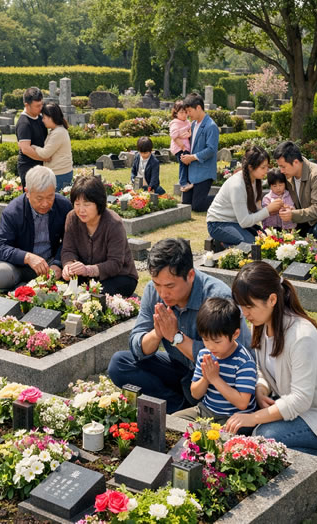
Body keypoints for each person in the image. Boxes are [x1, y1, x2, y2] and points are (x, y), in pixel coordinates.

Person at [224, 262, 317, 486]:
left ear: (272, 299)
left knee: (264, 437)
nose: (244, 313)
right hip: (304, 412)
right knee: (256, 435)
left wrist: (253, 417)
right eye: (241, 306)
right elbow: (262, 368)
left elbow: (300, 399)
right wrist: (261, 388)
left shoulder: (301, 336)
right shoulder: (262, 323)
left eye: (249, 306)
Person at [108, 238, 252, 414]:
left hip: (214, 377)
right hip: (178, 366)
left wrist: (176, 337)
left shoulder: (218, 297)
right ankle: (179, 407)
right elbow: (136, 344)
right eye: (157, 284)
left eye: (170, 286)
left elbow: (235, 354)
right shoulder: (154, 292)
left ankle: (195, 407)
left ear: (190, 275)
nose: (163, 293)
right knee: (119, 363)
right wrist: (157, 333)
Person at [172, 297, 257, 427]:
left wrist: (215, 379)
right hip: (206, 410)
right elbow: (195, 393)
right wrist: (206, 377)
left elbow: (242, 403)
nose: (211, 346)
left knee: (217, 438)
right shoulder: (204, 354)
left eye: (217, 341)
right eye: (205, 339)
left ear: (235, 334)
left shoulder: (244, 362)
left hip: (234, 417)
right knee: (172, 422)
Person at [0, 166, 72, 290]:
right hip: (18, 265)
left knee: (73, 270)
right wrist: (27, 257)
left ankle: (24, 286)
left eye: (50, 197)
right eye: (39, 198)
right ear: (27, 192)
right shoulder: (13, 211)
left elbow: (69, 240)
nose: (45, 203)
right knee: (1, 275)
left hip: (48, 264)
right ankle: (24, 285)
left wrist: (58, 263)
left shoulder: (64, 206)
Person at [62, 175, 138, 297]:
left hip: (119, 276)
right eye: (77, 204)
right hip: (85, 276)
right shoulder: (72, 218)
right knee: (59, 290)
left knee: (92, 296)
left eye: (86, 204)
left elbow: (115, 263)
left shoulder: (114, 223)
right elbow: (68, 250)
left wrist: (88, 270)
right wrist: (69, 266)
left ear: (99, 203)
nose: (81, 210)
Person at [206, 145, 282, 246]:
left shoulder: (255, 180)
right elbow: (244, 222)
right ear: (250, 167)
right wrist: (268, 210)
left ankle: (229, 242)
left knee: (265, 239)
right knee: (253, 245)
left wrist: (273, 210)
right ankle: (226, 244)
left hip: (236, 222)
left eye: (267, 166)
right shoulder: (237, 185)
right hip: (218, 224)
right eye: (263, 167)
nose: (266, 170)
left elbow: (253, 211)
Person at [273, 141, 317, 241]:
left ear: (295, 162)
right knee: (282, 233)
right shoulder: (288, 176)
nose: (281, 171)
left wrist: (293, 214)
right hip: (306, 221)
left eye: (283, 166)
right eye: (279, 166)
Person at [179, 93, 219, 212]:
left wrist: (192, 157)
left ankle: (223, 199)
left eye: (189, 111)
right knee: (186, 203)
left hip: (204, 172)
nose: (188, 114)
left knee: (198, 206)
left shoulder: (211, 126)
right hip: (193, 172)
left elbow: (211, 149)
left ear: (198, 108)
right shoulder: (193, 124)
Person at [31, 103, 73, 189]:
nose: (42, 120)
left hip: (60, 174)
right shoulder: (56, 131)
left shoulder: (58, 133)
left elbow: (45, 153)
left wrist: (34, 147)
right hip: (59, 173)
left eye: (44, 117)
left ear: (51, 118)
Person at [15, 87, 48, 187]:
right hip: (29, 168)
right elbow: (25, 149)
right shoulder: (24, 123)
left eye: (41, 104)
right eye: (37, 106)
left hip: (41, 166)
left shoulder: (40, 118)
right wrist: (45, 158)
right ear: (26, 105)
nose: (41, 108)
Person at [169, 101, 192, 191]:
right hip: (180, 148)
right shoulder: (175, 123)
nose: (184, 115)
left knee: (185, 164)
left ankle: (183, 181)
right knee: (183, 164)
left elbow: (190, 130)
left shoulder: (187, 122)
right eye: (181, 112)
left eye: (186, 112)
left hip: (186, 147)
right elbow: (174, 136)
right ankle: (183, 183)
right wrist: (182, 147)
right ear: (176, 113)